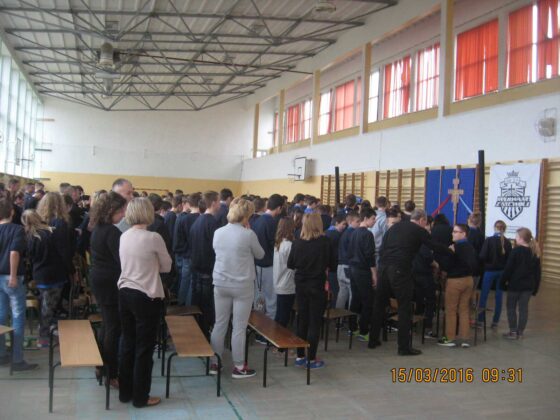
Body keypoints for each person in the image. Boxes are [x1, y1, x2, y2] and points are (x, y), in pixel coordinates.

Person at [369, 209, 452, 355]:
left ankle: (373, 340)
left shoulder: (394, 227)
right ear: (422, 220)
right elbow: (434, 246)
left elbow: (382, 249)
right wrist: (451, 250)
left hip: (383, 268)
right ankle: (403, 347)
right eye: (425, 222)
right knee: (405, 308)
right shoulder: (419, 230)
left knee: (379, 304)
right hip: (400, 270)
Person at [118, 197, 172, 408]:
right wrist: (152, 264)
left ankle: (125, 393)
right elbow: (167, 266)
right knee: (144, 348)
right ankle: (141, 397)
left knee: (128, 343)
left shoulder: (124, 235)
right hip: (146, 295)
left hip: (125, 292)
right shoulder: (153, 237)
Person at [209, 199, 264, 378]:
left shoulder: (218, 232)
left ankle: (215, 363)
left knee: (219, 324)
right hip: (242, 285)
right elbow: (260, 254)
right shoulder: (248, 234)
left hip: (220, 282)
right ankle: (239, 367)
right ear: (246, 217)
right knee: (239, 327)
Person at [288, 213, 336, 369]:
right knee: (315, 322)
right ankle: (311, 358)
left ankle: (300, 356)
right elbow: (333, 265)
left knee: (302, 319)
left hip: (301, 285)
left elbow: (290, 264)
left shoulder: (297, 243)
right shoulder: (325, 242)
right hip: (317, 285)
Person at [89, 192, 127, 387]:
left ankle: (101, 365)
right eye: (121, 211)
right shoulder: (112, 232)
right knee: (113, 327)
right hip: (109, 282)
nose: (123, 214)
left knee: (107, 324)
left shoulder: (97, 228)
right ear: (111, 210)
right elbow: (121, 261)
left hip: (99, 279)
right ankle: (111, 374)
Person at [0, 199, 37, 371]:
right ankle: (17, 359)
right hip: (11, 277)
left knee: (1, 316)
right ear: (12, 212)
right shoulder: (17, 229)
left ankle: (1, 353)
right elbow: (14, 253)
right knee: (18, 317)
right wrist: (14, 276)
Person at [22, 210, 60, 349]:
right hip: (55, 274)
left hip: (40, 275)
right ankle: (44, 335)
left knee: (45, 304)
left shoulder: (29, 237)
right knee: (49, 306)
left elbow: (29, 257)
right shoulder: (50, 232)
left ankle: (45, 331)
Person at [438, 224, 478, 347]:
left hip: (455, 281)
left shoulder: (455, 247)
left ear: (463, 234)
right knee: (464, 309)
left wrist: (449, 253)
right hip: (469, 280)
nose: (452, 234)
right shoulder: (470, 247)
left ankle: (450, 338)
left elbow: (446, 265)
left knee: (451, 310)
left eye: (455, 232)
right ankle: (465, 338)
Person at [37, 192, 76, 315]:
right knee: (50, 306)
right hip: (55, 269)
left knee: (45, 303)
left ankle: (45, 324)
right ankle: (47, 326)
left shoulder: (38, 222)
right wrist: (71, 269)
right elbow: (63, 249)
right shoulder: (59, 222)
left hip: (39, 268)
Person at [190, 191, 221, 335]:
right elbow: (216, 248)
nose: (220, 204)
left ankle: (201, 330)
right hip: (207, 269)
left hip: (197, 268)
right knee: (207, 306)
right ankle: (205, 333)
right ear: (214, 203)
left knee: (199, 304)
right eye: (219, 201)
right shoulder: (212, 223)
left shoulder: (198, 221)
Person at [501, 228, 541, 339]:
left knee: (511, 307)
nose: (515, 238)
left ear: (521, 239)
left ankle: (513, 331)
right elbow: (537, 273)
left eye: (517, 236)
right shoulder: (534, 252)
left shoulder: (516, 251)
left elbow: (508, 269)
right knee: (523, 309)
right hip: (528, 286)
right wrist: (536, 288)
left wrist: (502, 282)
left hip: (515, 285)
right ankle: (520, 332)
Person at [251, 194, 284, 322]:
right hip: (269, 265)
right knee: (271, 298)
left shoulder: (257, 220)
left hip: (257, 264)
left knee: (259, 296)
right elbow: (274, 245)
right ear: (279, 208)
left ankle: (257, 325)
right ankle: (269, 328)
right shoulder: (273, 222)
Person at [347, 208, 376, 341]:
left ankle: (352, 328)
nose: (374, 221)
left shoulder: (353, 232)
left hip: (353, 269)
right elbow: (370, 256)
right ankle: (364, 331)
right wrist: (374, 274)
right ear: (365, 218)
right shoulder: (368, 234)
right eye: (373, 219)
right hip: (363, 270)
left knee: (355, 299)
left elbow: (350, 252)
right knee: (367, 301)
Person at [478, 220, 512, 328]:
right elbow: (509, 259)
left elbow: (482, 256)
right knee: (499, 296)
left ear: (494, 227)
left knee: (484, 295)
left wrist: (485, 264)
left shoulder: (489, 240)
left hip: (489, 271)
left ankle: (480, 320)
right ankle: (495, 321)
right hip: (502, 272)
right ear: (504, 229)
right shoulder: (507, 242)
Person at [173, 193, 201, 306]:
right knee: (193, 282)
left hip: (186, 254)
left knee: (185, 280)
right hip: (197, 255)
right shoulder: (202, 219)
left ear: (188, 204)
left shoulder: (182, 219)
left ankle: (181, 304)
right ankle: (190, 306)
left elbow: (178, 240)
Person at [273, 217, 296, 328]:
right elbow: (294, 265)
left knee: (280, 315)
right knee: (283, 317)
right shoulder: (289, 245)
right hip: (287, 284)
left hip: (279, 282)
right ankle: (279, 337)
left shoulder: (279, 243)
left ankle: (275, 335)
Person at [336, 211, 360, 309]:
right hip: (347, 266)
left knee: (342, 292)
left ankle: (338, 316)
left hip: (340, 266)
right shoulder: (352, 233)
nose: (359, 224)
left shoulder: (344, 232)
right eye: (357, 221)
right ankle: (351, 315)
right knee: (352, 292)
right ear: (350, 222)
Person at [325, 214, 346, 306]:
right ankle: (335, 309)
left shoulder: (325, 232)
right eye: (343, 224)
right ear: (337, 223)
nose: (344, 227)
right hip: (334, 267)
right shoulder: (337, 235)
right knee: (336, 291)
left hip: (327, 267)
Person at [371, 196, 388, 267]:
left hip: (369, 246)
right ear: (387, 204)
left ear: (376, 204)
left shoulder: (370, 215)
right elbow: (386, 235)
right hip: (378, 248)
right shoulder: (385, 218)